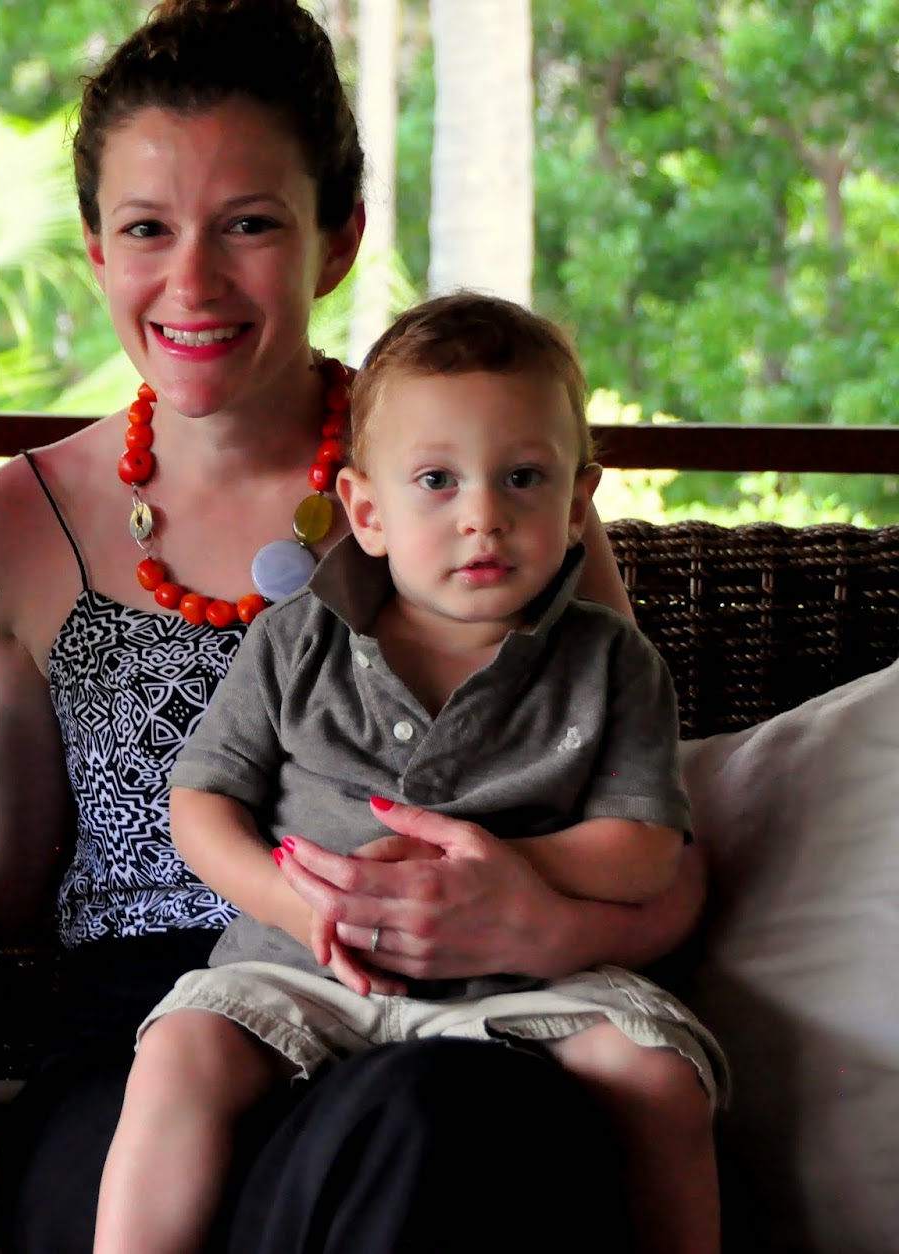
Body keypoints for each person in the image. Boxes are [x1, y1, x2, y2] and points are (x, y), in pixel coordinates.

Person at [0, 1, 706, 1250]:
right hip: (150, 1042)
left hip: (464, 1003)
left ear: (337, 239)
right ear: (95, 249)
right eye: (145, 228)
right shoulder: (22, 523)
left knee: (436, 1114)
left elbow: (664, 854)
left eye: (248, 224)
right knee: (302, 1148)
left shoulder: (479, 490)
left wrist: (543, 922)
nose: (191, 281)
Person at [95, 293, 727, 1254]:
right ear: (366, 511)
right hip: (302, 968)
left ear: (578, 503)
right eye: (436, 480)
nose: (483, 517)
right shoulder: (295, 640)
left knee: (660, 1074)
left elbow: (644, 848)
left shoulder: (611, 663)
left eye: (524, 478)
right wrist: (296, 905)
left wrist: (499, 878)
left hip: (525, 979)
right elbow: (202, 804)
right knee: (181, 1050)